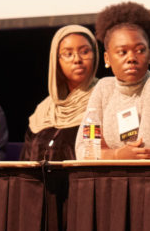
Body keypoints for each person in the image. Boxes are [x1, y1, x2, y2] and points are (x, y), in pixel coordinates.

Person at [73, 2, 150, 159]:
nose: (131, 58)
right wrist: (116, 155)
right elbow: (82, 151)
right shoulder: (104, 88)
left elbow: (147, 153)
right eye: (122, 52)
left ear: (149, 55)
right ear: (107, 58)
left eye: (140, 50)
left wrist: (102, 153)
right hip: (109, 180)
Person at [21, 25, 99, 161]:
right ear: (56, 61)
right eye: (68, 54)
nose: (77, 60)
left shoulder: (103, 98)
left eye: (85, 52)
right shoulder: (44, 109)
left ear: (96, 55)